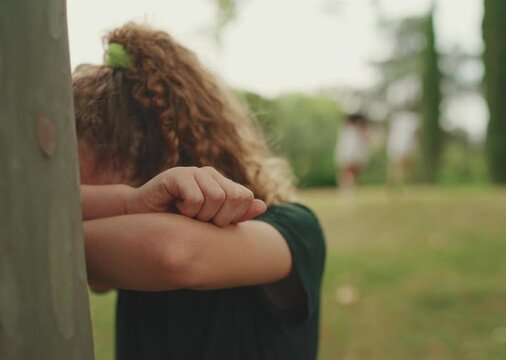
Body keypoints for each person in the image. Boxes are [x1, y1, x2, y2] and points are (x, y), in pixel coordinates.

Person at [74, 23, 325, 360]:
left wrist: (33, 243)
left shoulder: (294, 228)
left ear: (144, 163)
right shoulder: (127, 254)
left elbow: (177, 254)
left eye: (84, 186)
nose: (79, 206)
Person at [334, 112, 369, 192]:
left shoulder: (352, 130)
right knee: (347, 171)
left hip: (353, 154)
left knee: (353, 172)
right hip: (349, 154)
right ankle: (346, 188)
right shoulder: (348, 130)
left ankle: (350, 188)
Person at [386, 110, 420, 186]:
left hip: (396, 144)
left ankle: (399, 181)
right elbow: (415, 133)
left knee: (397, 164)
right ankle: (401, 182)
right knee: (402, 165)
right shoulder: (412, 118)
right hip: (404, 144)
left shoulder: (396, 117)